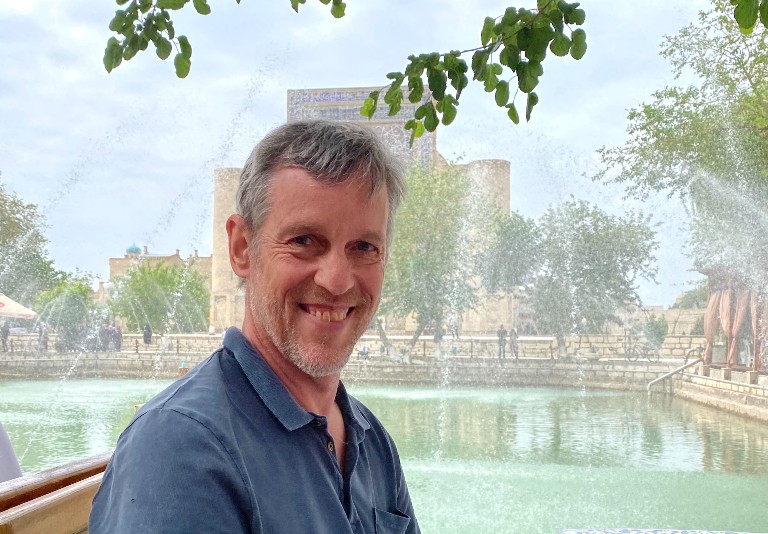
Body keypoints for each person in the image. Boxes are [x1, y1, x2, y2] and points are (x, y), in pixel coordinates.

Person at [90, 120, 420, 533]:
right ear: (242, 248)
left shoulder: (371, 441)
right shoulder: (182, 449)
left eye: (364, 247)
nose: (337, 280)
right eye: (304, 240)